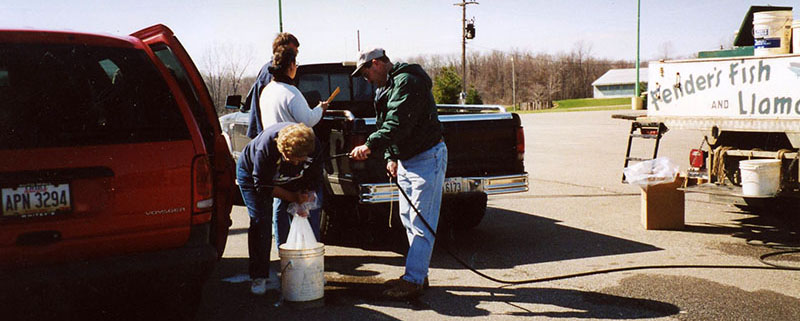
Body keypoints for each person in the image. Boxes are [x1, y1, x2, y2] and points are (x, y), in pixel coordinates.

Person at [349, 48, 447, 299]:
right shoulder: (385, 86)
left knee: (421, 222)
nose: (366, 79)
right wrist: (390, 156)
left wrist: (369, 145)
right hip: (406, 159)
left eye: (366, 73)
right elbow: (386, 123)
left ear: (376, 63)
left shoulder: (406, 81)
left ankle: (413, 280)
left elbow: (397, 123)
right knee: (407, 217)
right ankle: (416, 274)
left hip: (427, 158)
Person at [236, 122, 324, 295]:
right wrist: (292, 197)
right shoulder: (267, 146)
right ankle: (258, 275)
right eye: (292, 159)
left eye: (300, 160)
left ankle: (304, 269)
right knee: (261, 220)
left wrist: (306, 196)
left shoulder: (314, 145)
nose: (297, 162)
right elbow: (262, 185)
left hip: (290, 179)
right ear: (283, 151)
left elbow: (315, 177)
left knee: (306, 215)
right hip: (253, 176)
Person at [260, 45, 328, 247]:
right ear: (291, 65)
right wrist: (320, 108)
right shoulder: (292, 92)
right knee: (309, 202)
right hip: (297, 151)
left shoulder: (267, 91)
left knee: (280, 204)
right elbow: (308, 120)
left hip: (277, 152)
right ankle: (309, 247)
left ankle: (285, 249)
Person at [243, 33, 300, 139]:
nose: (296, 54)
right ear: (281, 49)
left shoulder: (269, 69)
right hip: (269, 135)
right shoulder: (273, 72)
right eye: (293, 50)